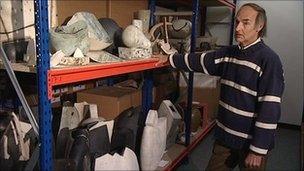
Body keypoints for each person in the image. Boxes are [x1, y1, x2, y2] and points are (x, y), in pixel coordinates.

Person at [156, 3, 284, 170]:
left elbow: (270, 109)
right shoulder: (229, 53)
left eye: (245, 23)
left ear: (260, 26)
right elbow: (200, 60)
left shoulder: (269, 61)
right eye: (237, 21)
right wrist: (171, 59)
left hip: (250, 143)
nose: (238, 28)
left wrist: (258, 151)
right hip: (225, 138)